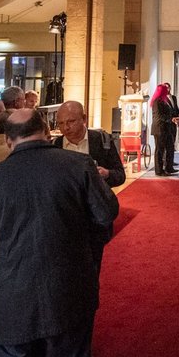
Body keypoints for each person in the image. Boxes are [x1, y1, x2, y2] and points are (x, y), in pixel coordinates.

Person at [0, 109, 119, 357]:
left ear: (8, 140)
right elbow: (106, 213)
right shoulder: (78, 165)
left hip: (11, 292)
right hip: (68, 287)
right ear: (46, 132)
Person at [56, 100, 127, 272]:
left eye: (71, 121)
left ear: (84, 119)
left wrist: (106, 174)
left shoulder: (102, 141)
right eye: (60, 123)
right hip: (64, 220)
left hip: (93, 220)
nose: (66, 128)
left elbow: (120, 175)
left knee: (91, 269)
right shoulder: (55, 146)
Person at [150, 83, 179, 176]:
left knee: (170, 147)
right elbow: (159, 116)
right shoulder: (157, 101)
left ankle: (169, 168)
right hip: (159, 129)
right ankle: (159, 170)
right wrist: (171, 119)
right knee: (159, 150)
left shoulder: (165, 100)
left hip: (167, 128)